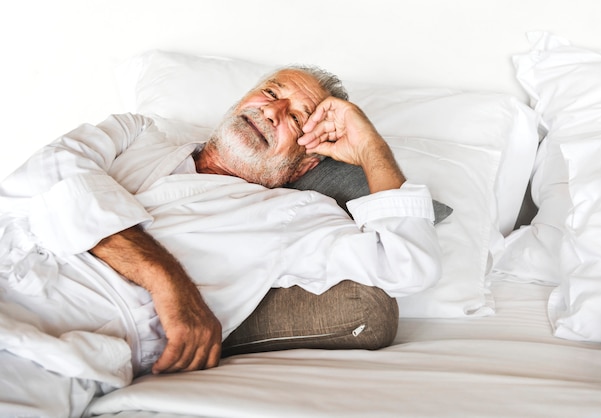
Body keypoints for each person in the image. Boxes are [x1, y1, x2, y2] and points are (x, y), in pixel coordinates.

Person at [0, 65, 441, 408]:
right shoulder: (137, 132)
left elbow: (408, 266)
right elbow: (43, 173)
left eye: (296, 117)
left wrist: (369, 148)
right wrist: (163, 278)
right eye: (270, 93)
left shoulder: (295, 216)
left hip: (50, 344)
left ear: (307, 164)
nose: (271, 111)